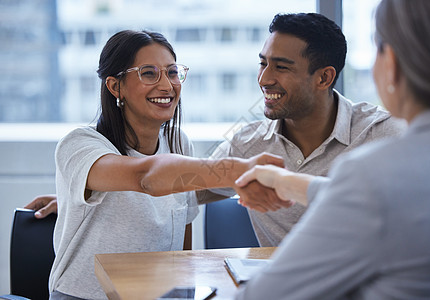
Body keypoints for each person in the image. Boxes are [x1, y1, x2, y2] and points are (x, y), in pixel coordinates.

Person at [26, 12, 406, 247]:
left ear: (324, 77)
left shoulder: (386, 136)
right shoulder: (247, 143)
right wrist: (85, 193)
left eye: (281, 67)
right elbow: (178, 182)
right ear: (115, 86)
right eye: (262, 63)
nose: (264, 79)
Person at [234, 0, 430, 298]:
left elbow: (261, 296)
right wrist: (282, 180)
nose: (264, 78)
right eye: (263, 63)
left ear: (389, 62)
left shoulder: (375, 168)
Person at [47, 30, 283, 300]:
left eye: (172, 72)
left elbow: (181, 243)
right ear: (115, 86)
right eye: (149, 73)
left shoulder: (178, 143)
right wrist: (241, 170)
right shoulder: (79, 144)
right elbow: (145, 177)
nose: (167, 86)